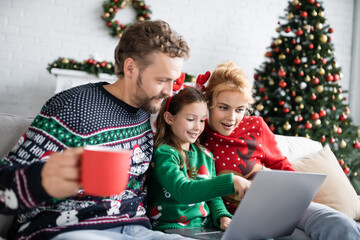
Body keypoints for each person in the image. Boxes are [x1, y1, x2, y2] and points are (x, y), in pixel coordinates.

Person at [0, 20, 194, 240]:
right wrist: (43, 180)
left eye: (173, 81)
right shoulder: (74, 105)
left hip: (138, 231)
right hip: (70, 230)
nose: (169, 91)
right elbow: (3, 187)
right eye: (162, 80)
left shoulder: (144, 114)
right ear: (130, 68)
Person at [201, 60, 360, 239]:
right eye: (223, 108)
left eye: (240, 109)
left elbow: (280, 165)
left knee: (342, 225)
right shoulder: (199, 134)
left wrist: (301, 197)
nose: (232, 117)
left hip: (285, 203)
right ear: (208, 103)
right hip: (245, 218)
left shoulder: (256, 126)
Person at [147, 87, 250, 231]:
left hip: (205, 229)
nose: (197, 127)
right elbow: (182, 190)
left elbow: (213, 196)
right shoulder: (164, 154)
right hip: (170, 229)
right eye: (190, 119)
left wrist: (223, 217)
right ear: (169, 118)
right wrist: (231, 181)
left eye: (202, 120)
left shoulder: (205, 155)